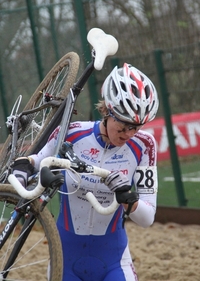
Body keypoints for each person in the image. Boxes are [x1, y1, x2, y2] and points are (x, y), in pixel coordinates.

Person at [12, 63, 159, 281]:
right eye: (124, 125)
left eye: (137, 127)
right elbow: (34, 162)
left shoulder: (144, 144)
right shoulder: (71, 134)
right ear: (108, 110)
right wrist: (22, 168)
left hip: (114, 262)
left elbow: (147, 218)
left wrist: (129, 199)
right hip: (66, 260)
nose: (129, 134)